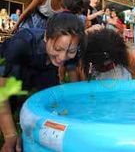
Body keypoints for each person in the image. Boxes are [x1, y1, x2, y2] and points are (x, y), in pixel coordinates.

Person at [0, 11, 85, 152]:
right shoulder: (21, 44)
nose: (62, 57)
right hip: (12, 68)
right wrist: (10, 135)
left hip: (42, 67)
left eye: (70, 51)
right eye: (58, 49)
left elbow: (73, 88)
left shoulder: (73, 48)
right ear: (46, 37)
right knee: (12, 98)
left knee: (52, 102)